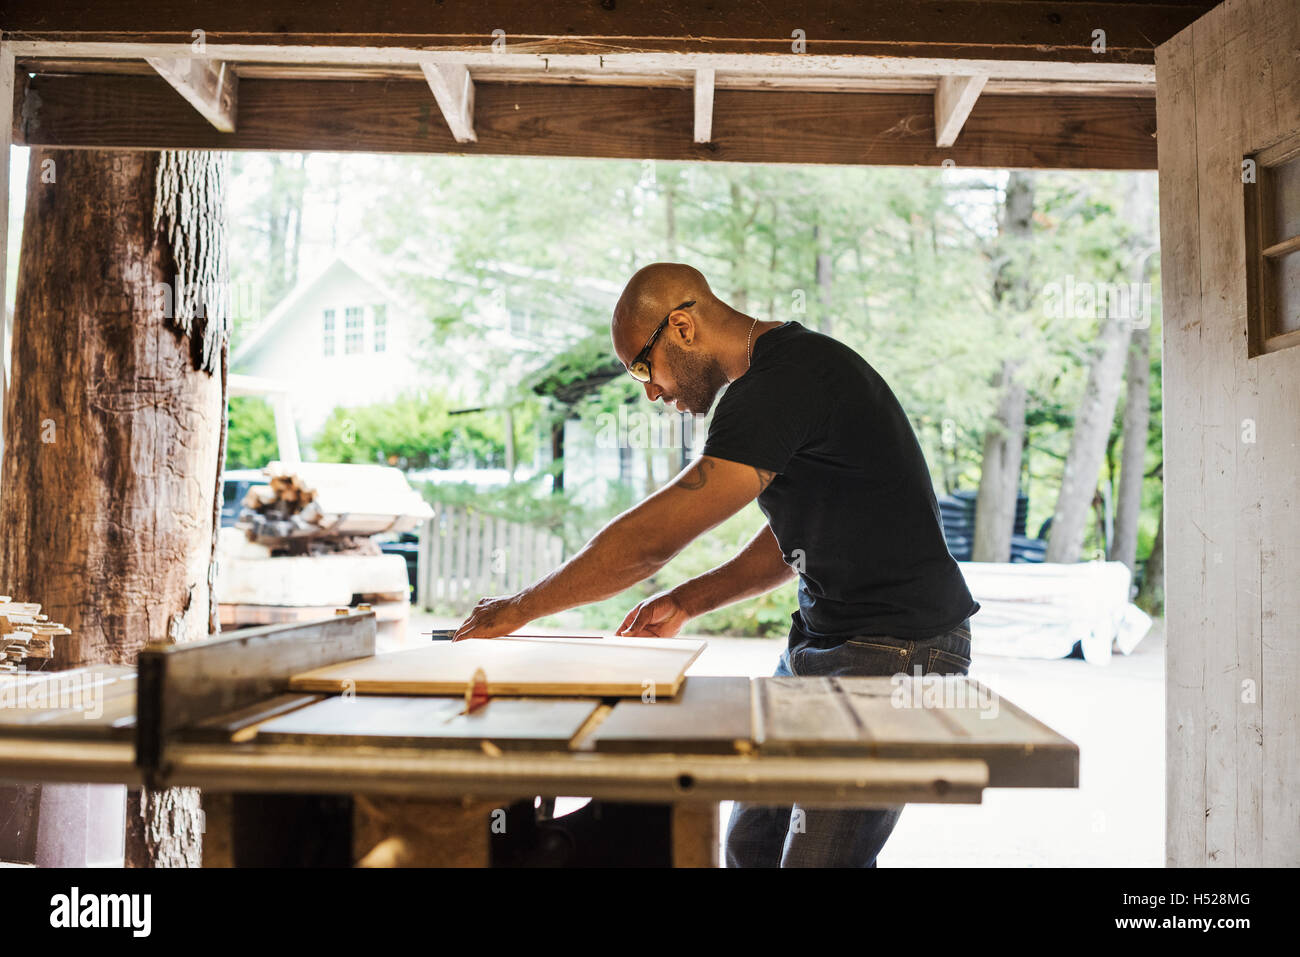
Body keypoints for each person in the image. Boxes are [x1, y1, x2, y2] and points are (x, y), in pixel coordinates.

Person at [453, 261, 979, 867]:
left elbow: (651, 540)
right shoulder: (785, 376)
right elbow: (791, 540)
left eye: (643, 367)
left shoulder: (780, 382)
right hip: (822, 641)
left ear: (681, 326)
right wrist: (688, 601)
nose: (651, 391)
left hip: (902, 650)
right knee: (748, 845)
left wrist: (520, 608)